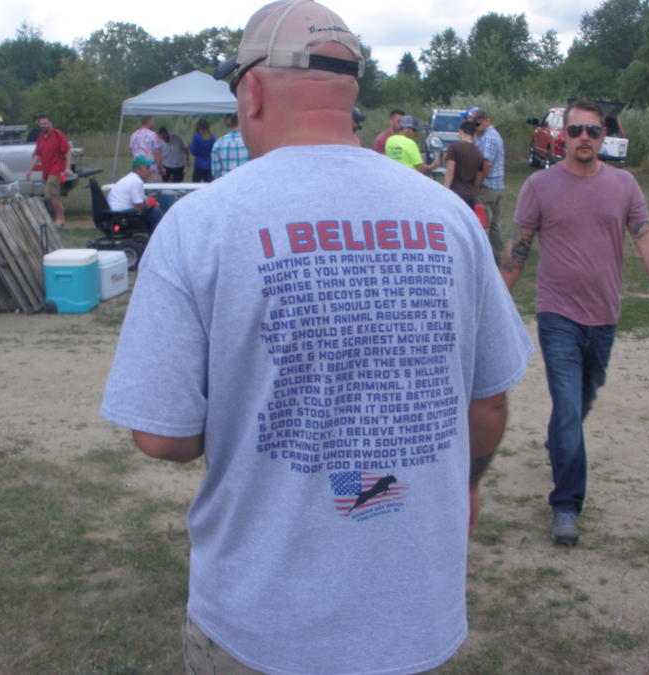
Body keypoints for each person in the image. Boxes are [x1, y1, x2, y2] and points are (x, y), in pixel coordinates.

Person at [101, 1, 533, 673]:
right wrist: (468, 483)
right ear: (349, 92)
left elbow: (165, 437)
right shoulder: (450, 218)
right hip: (413, 621)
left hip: (258, 623)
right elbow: (490, 402)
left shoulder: (201, 224)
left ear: (251, 91)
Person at [500, 98, 649, 546]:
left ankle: (558, 445)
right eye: (576, 131)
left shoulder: (624, 185)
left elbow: (646, 237)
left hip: (604, 315)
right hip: (557, 313)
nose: (584, 138)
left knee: (580, 402)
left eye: (593, 131)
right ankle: (566, 506)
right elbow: (518, 249)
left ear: (604, 136)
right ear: (563, 135)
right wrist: (498, 304)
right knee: (567, 406)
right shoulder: (540, 186)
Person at [469, 108, 505, 264]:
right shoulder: (492, 134)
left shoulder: (488, 138)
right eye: (474, 125)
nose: (476, 128)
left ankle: (485, 258)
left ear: (486, 121)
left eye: (477, 124)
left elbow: (487, 163)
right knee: (494, 224)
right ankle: (499, 254)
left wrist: (477, 185)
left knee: (483, 223)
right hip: (497, 186)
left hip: (487, 186)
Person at [26, 114, 70, 229]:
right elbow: (37, 155)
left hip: (57, 168)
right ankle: (61, 219)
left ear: (50, 123)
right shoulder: (40, 137)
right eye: (41, 124)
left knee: (49, 193)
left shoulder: (58, 134)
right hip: (46, 170)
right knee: (53, 195)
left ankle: (59, 219)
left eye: (45, 123)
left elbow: (67, 151)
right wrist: (29, 170)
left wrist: (67, 168)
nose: (43, 126)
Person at [106, 156, 163, 232]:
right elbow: (139, 207)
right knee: (156, 213)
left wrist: (149, 203)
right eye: (147, 168)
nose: (149, 171)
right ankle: (156, 238)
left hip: (114, 215)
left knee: (153, 212)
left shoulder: (131, 178)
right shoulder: (136, 181)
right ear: (138, 169)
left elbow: (140, 203)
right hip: (121, 217)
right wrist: (152, 205)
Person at [443, 119, 484, 209]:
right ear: (474, 134)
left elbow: (450, 171)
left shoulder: (454, 147)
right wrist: (474, 193)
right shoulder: (479, 153)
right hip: (469, 196)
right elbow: (478, 179)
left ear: (460, 131)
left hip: (455, 193)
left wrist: (445, 190)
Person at [210, 113, 249, 178]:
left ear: (231, 124)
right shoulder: (250, 142)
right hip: (246, 181)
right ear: (243, 123)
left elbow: (216, 172)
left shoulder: (219, 143)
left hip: (226, 182)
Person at [189, 119, 217, 183]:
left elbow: (193, 152)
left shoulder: (196, 137)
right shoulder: (212, 137)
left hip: (199, 164)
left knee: (195, 184)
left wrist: (190, 147)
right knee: (209, 185)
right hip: (209, 164)